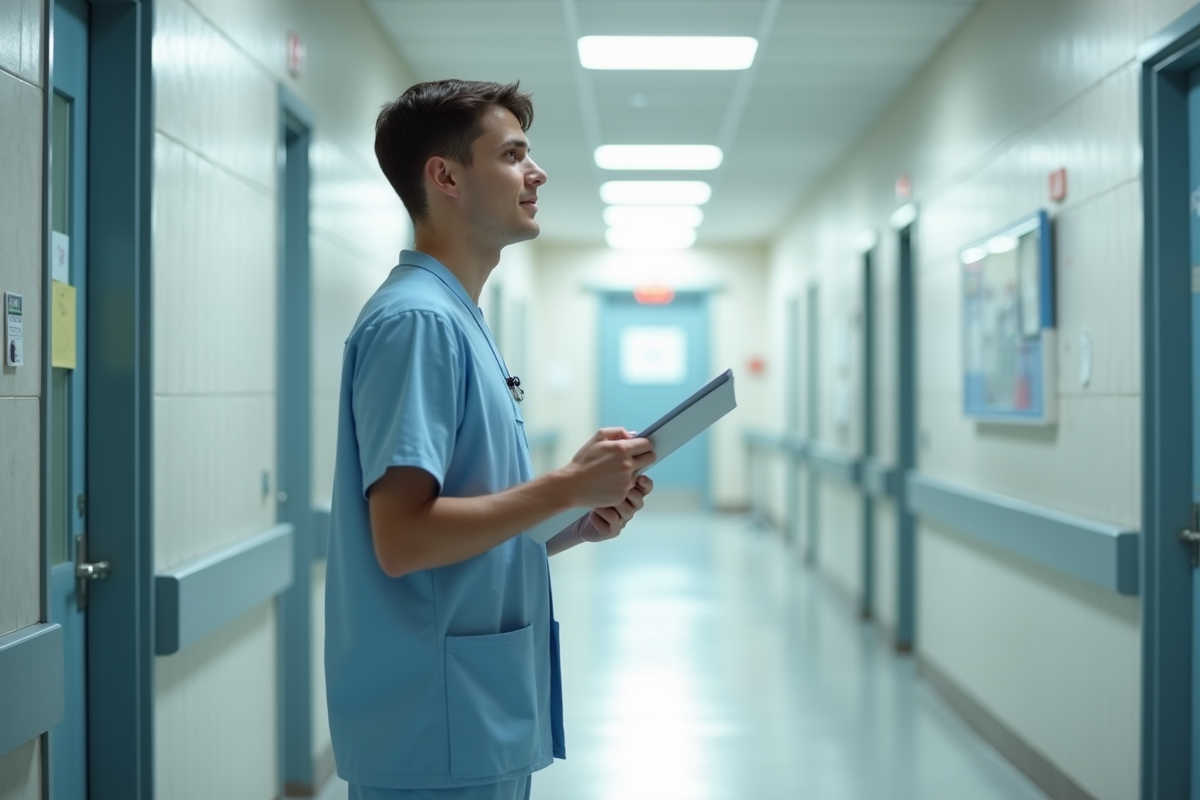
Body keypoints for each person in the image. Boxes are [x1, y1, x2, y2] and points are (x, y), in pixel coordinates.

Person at [324, 79, 656, 800]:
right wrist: (565, 486)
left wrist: (571, 522)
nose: (536, 173)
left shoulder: (459, 319)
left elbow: (462, 529)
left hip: (467, 714)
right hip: (434, 724)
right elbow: (404, 538)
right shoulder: (418, 324)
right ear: (444, 176)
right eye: (512, 155)